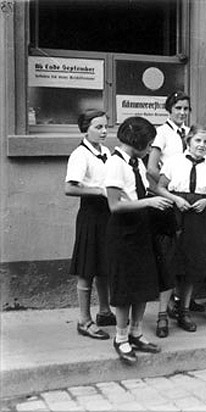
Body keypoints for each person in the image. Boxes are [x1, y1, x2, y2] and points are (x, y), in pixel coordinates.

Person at [104, 116, 173, 364]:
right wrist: (149, 202)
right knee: (125, 287)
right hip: (123, 231)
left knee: (143, 284)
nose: (150, 148)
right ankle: (121, 337)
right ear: (138, 142)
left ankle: (136, 333)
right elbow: (114, 205)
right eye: (149, 143)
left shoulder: (137, 163)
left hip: (142, 228)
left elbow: (145, 190)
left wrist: (168, 197)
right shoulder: (115, 164)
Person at [155, 125, 206, 333]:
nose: (202, 145)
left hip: (198, 217)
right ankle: (162, 315)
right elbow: (159, 187)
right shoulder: (174, 162)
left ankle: (184, 312)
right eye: (198, 141)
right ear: (189, 141)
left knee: (191, 266)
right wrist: (176, 199)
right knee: (170, 263)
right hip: (176, 215)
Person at [65, 109, 115, 340]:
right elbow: (70, 188)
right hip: (91, 213)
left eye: (106, 127)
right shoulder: (80, 155)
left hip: (107, 213)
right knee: (87, 267)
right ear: (86, 129)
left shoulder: (105, 151)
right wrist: (100, 191)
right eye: (98, 127)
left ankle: (104, 311)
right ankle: (84, 320)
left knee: (104, 263)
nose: (104, 131)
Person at [147, 91, 192, 338]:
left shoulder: (189, 133)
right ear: (169, 109)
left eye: (186, 109)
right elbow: (151, 168)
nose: (182, 113)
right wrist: (170, 186)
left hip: (188, 200)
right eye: (178, 108)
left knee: (186, 253)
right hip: (169, 198)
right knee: (169, 256)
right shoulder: (162, 133)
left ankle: (181, 306)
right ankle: (163, 313)